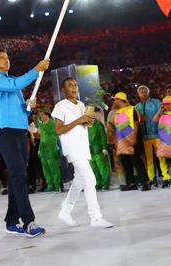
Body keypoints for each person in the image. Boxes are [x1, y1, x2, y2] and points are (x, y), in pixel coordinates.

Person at [0, 48, 48, 238]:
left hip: (20, 132)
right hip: (5, 131)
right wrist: (36, 70)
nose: (6, 61)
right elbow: (14, 85)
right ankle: (28, 221)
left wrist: (28, 107)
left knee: (18, 175)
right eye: (2, 58)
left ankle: (11, 221)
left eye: (8, 57)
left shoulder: (12, 83)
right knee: (19, 173)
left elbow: (21, 111)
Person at [52, 77, 113, 229]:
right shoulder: (60, 106)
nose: (73, 87)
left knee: (79, 181)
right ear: (63, 90)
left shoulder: (81, 104)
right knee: (90, 179)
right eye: (69, 85)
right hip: (72, 148)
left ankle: (65, 210)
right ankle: (95, 217)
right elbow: (58, 130)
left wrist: (88, 120)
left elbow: (83, 125)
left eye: (75, 85)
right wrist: (79, 120)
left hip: (83, 147)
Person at [112, 92, 150, 191]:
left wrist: (134, 137)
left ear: (121, 100)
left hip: (131, 139)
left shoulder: (132, 109)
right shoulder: (118, 112)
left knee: (136, 161)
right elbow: (117, 128)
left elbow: (136, 123)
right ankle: (131, 183)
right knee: (125, 162)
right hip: (122, 141)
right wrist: (116, 140)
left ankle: (145, 182)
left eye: (116, 99)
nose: (114, 101)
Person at [136, 85, 171, 188]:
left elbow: (164, 114)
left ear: (148, 92)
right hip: (144, 136)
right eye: (141, 91)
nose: (143, 93)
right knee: (149, 159)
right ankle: (152, 178)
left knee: (161, 157)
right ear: (138, 94)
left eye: (145, 91)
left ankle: (166, 177)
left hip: (157, 134)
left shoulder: (156, 103)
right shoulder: (136, 107)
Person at [35, 108, 61, 192]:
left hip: (51, 149)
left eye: (42, 115)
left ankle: (57, 185)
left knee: (53, 167)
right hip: (43, 149)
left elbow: (52, 132)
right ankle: (50, 184)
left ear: (47, 115)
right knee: (45, 169)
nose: (40, 117)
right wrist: (39, 149)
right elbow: (42, 138)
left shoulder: (52, 123)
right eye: (39, 115)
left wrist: (40, 125)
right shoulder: (41, 125)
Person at [88, 107, 111, 191]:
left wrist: (104, 147)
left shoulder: (98, 124)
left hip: (99, 150)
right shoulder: (86, 126)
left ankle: (105, 184)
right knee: (94, 169)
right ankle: (98, 183)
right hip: (90, 151)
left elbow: (103, 136)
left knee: (103, 168)